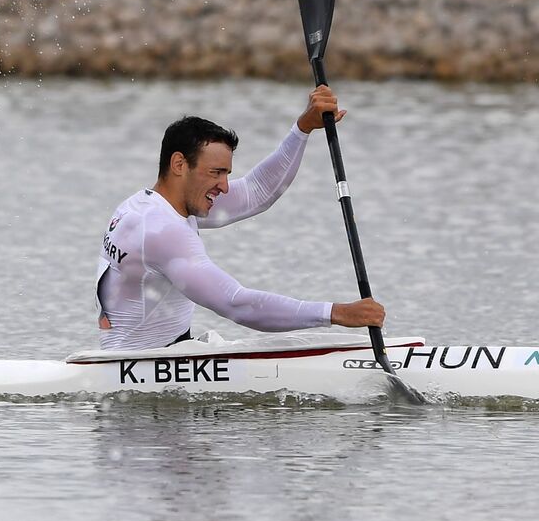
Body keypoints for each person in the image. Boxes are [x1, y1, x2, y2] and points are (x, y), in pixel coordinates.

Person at [94, 87, 385, 350]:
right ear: (179, 164)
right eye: (216, 173)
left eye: (226, 174)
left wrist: (303, 129)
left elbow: (256, 192)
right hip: (144, 372)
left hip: (154, 356)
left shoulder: (142, 207)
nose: (223, 186)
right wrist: (337, 313)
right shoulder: (162, 232)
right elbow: (237, 304)